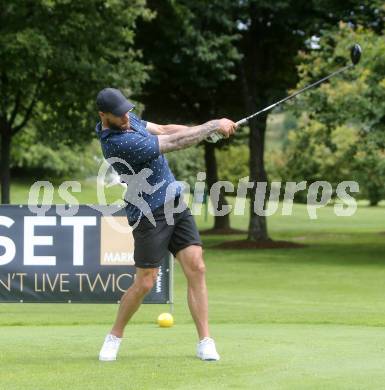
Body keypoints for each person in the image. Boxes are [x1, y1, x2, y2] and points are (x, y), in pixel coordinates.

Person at [95, 87, 236, 362]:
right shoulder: (116, 144)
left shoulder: (126, 118)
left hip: (174, 202)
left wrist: (205, 132)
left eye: (127, 112)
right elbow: (173, 144)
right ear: (103, 116)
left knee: (197, 266)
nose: (126, 118)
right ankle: (114, 335)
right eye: (119, 115)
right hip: (149, 213)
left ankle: (205, 340)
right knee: (145, 282)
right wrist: (212, 125)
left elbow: (162, 129)